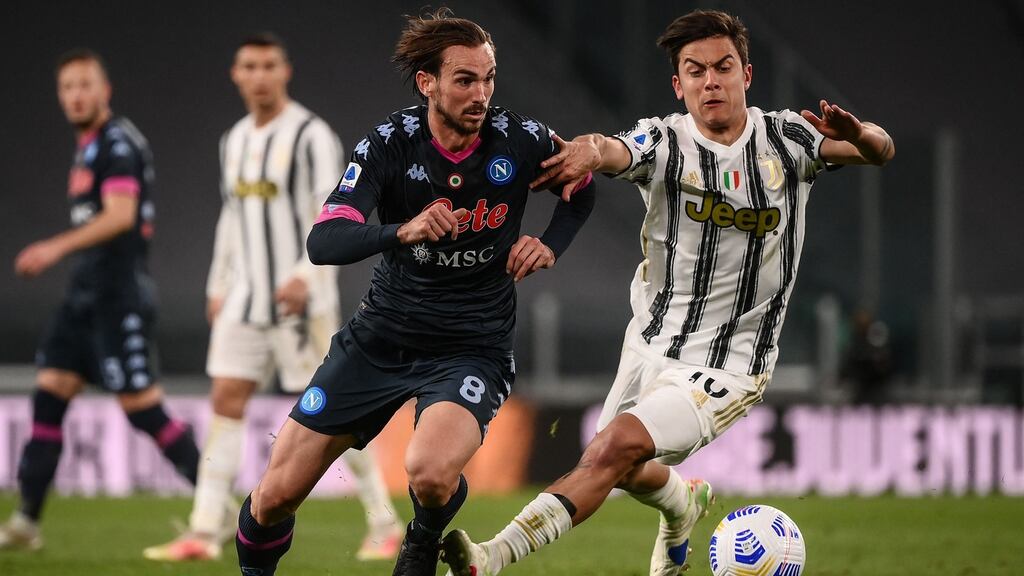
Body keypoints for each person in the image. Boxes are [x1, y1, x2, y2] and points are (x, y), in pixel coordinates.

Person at [441, 9, 895, 576]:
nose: (712, 81)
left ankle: (490, 558)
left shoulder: (787, 138)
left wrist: (861, 136)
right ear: (678, 85)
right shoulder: (664, 141)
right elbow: (615, 150)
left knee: (611, 451)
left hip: (730, 364)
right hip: (651, 343)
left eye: (723, 67)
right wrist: (589, 149)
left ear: (746, 75)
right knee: (621, 466)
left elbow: (880, 151)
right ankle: (683, 505)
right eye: (695, 70)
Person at [232, 9, 596, 576]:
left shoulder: (520, 139)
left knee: (427, 473)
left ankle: (422, 541)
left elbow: (581, 185)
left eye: (489, 77)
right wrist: (399, 230)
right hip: (379, 339)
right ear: (427, 82)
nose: (482, 93)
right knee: (273, 497)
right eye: (465, 79)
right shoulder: (388, 144)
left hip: (471, 346)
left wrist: (550, 243)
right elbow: (324, 240)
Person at [142, 33, 403, 562]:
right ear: (235, 75)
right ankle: (204, 530)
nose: (258, 75)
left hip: (301, 299)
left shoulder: (309, 135)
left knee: (335, 411)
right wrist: (219, 284)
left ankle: (384, 522)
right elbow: (232, 219)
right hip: (246, 299)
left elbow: (332, 213)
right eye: (248, 66)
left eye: (268, 66)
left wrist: (305, 277)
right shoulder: (234, 139)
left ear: (285, 72)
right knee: (225, 401)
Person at [2, 49, 202, 551]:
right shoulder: (87, 147)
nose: (76, 95)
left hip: (118, 300)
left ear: (104, 90)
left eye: (85, 85)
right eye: (67, 86)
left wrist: (53, 247)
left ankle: (221, 510)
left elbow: (119, 216)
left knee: (143, 412)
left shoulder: (117, 143)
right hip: (82, 300)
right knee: (48, 399)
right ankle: (26, 523)